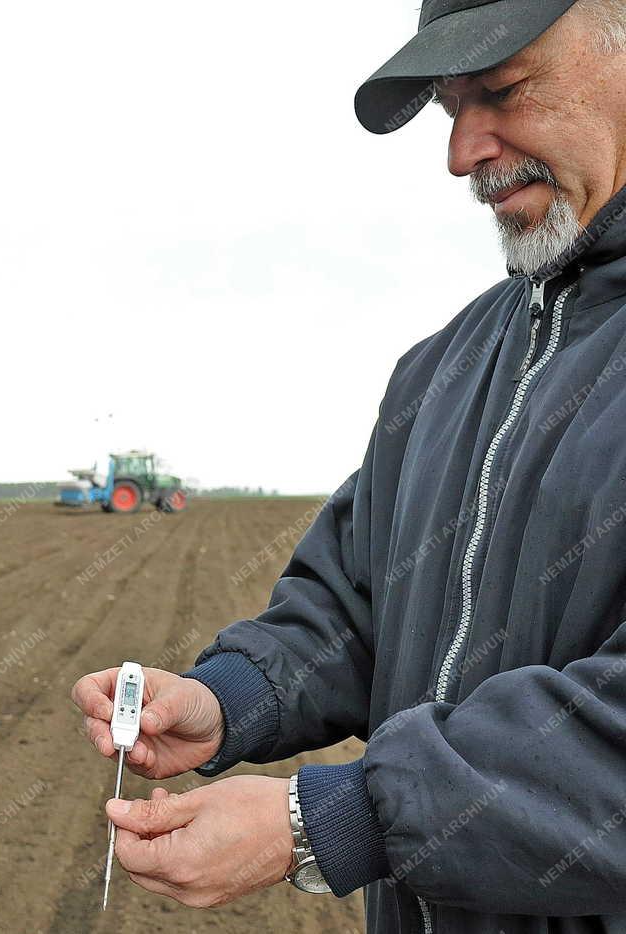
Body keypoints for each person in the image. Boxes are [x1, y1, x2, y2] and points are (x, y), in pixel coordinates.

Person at [73, 1, 626, 931]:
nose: (462, 152)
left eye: (501, 91)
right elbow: (356, 600)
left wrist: (327, 820)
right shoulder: (443, 367)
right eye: (452, 106)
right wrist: (225, 701)